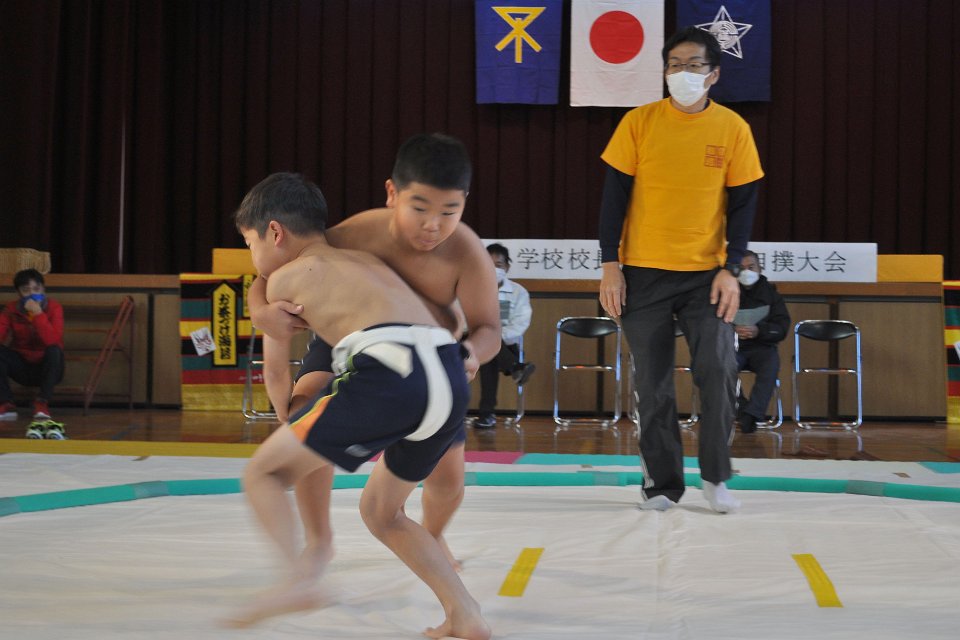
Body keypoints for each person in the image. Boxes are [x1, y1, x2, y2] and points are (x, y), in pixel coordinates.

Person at [228, 172, 491, 639]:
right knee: (383, 513)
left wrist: (287, 420)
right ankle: (465, 613)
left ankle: (298, 579)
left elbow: (276, 370)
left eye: (250, 243)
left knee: (264, 473)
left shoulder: (284, 279)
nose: (255, 259)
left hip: (391, 371)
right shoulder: (365, 256)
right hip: (449, 372)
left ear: (274, 232)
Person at [597, 26, 764, 513]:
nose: (683, 73)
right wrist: (610, 265)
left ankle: (716, 476)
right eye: (674, 65)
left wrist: (731, 268)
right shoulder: (638, 122)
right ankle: (661, 483)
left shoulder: (732, 128)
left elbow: (743, 205)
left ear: (714, 74)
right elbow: (612, 200)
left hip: (707, 277)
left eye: (694, 65)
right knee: (652, 384)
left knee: (718, 370)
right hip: (643, 273)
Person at [474, 242, 534, 429]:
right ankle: (516, 368)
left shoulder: (518, 292)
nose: (494, 269)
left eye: (498, 265)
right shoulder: (471, 288)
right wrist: (487, 337)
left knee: (490, 352)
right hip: (473, 342)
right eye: (488, 264)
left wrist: (495, 338)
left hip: (506, 345)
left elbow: (521, 322)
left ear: (507, 267)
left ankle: (486, 415)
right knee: (488, 349)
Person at [0, 268, 66, 438]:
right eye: (26, 290)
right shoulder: (11, 309)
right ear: (19, 293)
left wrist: (38, 314)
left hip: (49, 367)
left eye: (36, 289)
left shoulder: (54, 307)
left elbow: (52, 340)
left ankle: (42, 403)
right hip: (22, 367)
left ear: (43, 289)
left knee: (54, 350)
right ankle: (5, 403)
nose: (32, 294)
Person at [733, 250, 790, 433]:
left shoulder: (771, 294)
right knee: (722, 366)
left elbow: (782, 327)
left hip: (762, 347)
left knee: (770, 365)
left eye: (751, 267)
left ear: (760, 268)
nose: (746, 272)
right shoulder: (729, 290)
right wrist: (733, 330)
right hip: (734, 346)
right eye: (741, 268)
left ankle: (752, 414)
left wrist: (759, 330)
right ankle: (742, 409)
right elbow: (714, 322)